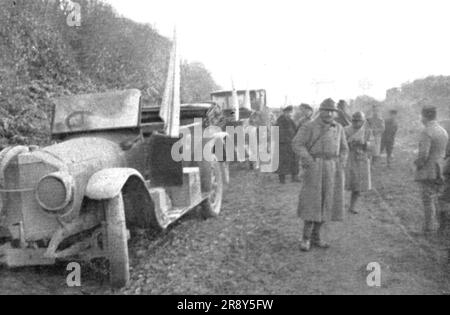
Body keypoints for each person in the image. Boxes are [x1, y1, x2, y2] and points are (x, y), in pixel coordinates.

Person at [292, 98, 349, 251]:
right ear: (320, 111)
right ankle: (305, 238)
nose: (329, 114)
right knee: (312, 202)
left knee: (327, 202)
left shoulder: (339, 128)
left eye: (332, 111)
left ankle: (317, 237)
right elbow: (297, 144)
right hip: (314, 167)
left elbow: (344, 148)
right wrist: (308, 160)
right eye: (326, 110)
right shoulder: (309, 126)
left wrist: (341, 163)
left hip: (332, 168)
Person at [414, 106, 448, 233]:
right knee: (438, 198)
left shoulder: (427, 131)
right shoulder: (443, 131)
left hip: (428, 170)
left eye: (421, 116)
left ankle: (428, 227)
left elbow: (424, 154)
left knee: (427, 199)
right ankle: (441, 226)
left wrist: (418, 165)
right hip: (440, 169)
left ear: (424, 116)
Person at [345, 112, 373, 214]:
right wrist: (350, 142)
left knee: (358, 185)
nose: (356, 123)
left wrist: (366, 144)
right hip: (349, 158)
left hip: (362, 158)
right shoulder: (346, 130)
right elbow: (341, 144)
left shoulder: (367, 131)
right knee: (344, 181)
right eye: (354, 121)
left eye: (359, 121)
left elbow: (372, 144)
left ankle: (352, 206)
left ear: (363, 121)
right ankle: (336, 204)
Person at [275, 106, 299, 184]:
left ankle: (294, 177)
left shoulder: (291, 121)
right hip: (283, 145)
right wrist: (288, 140)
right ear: (285, 112)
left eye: (291, 112)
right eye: (289, 112)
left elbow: (295, 131)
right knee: (283, 162)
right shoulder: (280, 121)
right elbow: (279, 133)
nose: (290, 114)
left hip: (291, 144)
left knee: (294, 160)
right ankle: (282, 179)